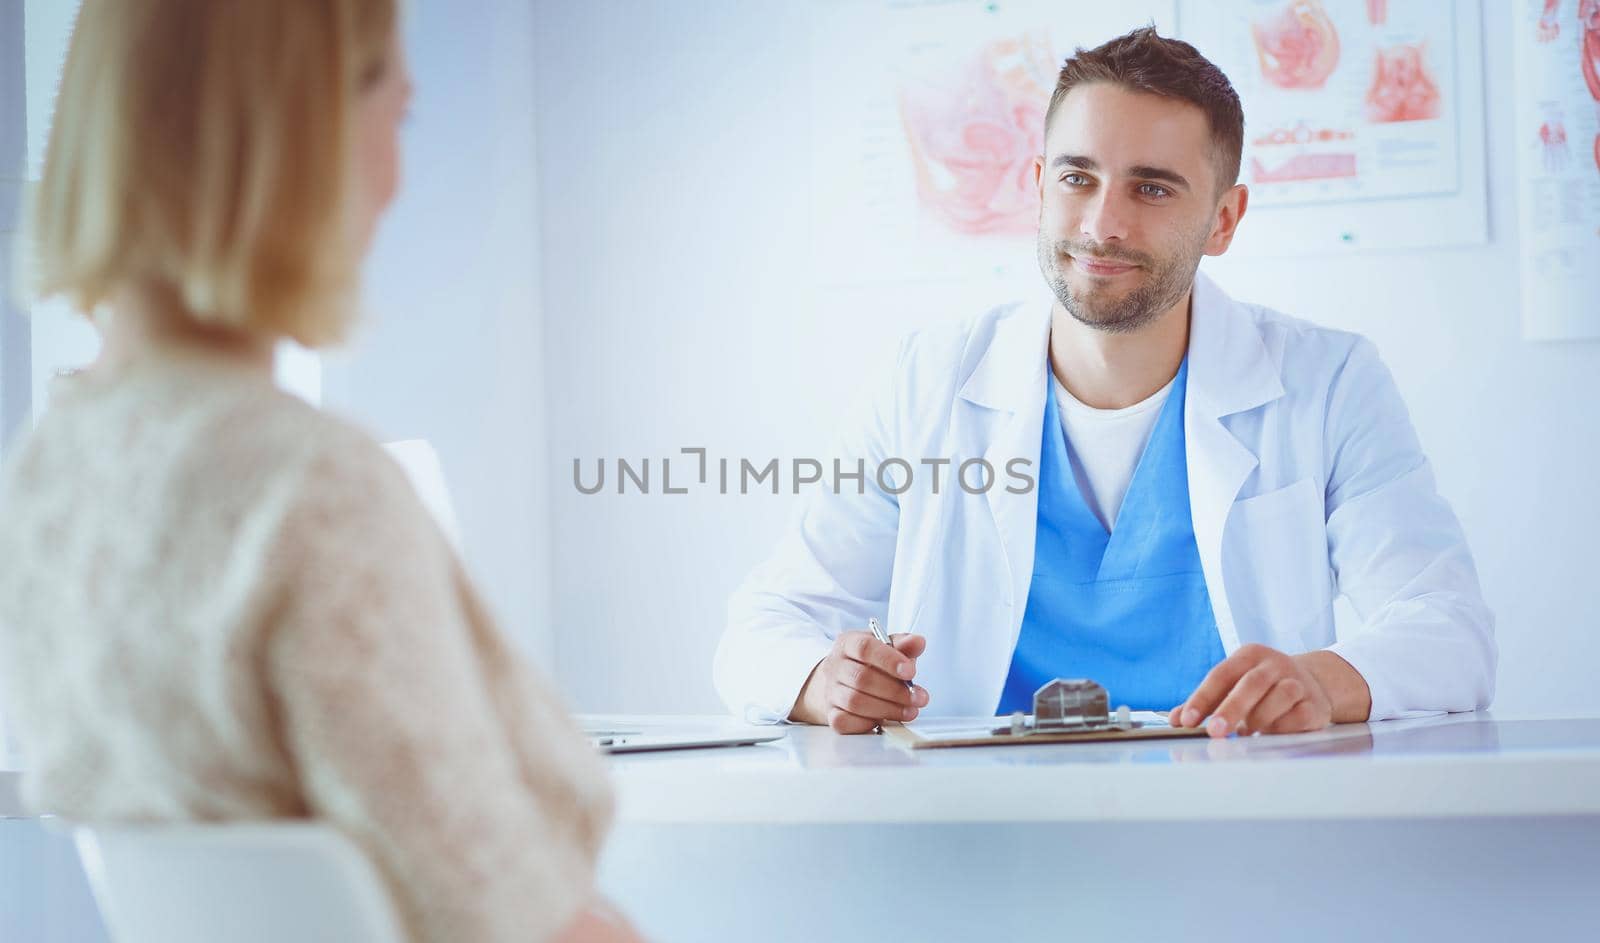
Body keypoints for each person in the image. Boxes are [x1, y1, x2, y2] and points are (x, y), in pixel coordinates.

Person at [0, 2, 639, 940]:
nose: (396, 177)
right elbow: (512, 919)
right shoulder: (309, 490)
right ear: (301, 132)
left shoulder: (49, 475)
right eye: (398, 115)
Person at [714, 28, 1495, 738]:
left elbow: (1450, 628)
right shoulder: (926, 383)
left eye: (1152, 188)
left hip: (1239, 824)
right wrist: (823, 680)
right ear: (1038, 185)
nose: (1101, 224)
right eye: (1077, 178)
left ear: (1224, 219)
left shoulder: (1328, 382)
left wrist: (1320, 679)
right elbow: (765, 623)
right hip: (977, 833)